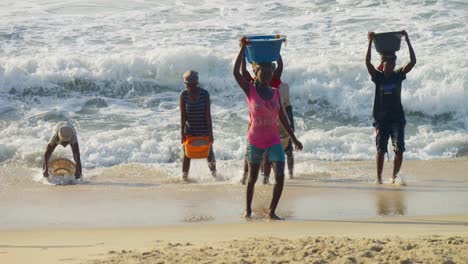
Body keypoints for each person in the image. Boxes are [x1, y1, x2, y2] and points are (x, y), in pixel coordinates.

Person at [234, 36, 303, 220]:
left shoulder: (275, 93)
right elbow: (236, 73)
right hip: (255, 140)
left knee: (280, 176)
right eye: (263, 74)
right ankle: (248, 210)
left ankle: (271, 211)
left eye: (269, 74)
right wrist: (242, 49)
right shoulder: (250, 91)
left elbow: (283, 118)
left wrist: (294, 139)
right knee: (253, 178)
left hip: (273, 140)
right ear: (256, 74)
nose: (267, 76)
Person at [366, 30, 416, 184]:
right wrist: (369, 42)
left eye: (394, 62)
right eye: (389, 63)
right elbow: (367, 63)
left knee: (399, 149)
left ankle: (394, 178)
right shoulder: (378, 77)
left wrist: (407, 40)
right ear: (384, 64)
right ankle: (379, 178)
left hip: (397, 119)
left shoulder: (398, 75)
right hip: (381, 120)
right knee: (380, 150)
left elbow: (413, 62)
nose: (392, 65)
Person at [179, 70, 216, 181]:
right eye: (188, 84)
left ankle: (215, 176)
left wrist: (210, 133)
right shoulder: (183, 95)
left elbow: (208, 115)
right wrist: (182, 133)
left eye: (192, 83)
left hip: (203, 130)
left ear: (196, 82)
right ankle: (184, 178)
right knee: (187, 155)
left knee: (210, 153)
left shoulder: (205, 94)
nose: (190, 86)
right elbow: (183, 115)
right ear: (186, 84)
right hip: (189, 130)